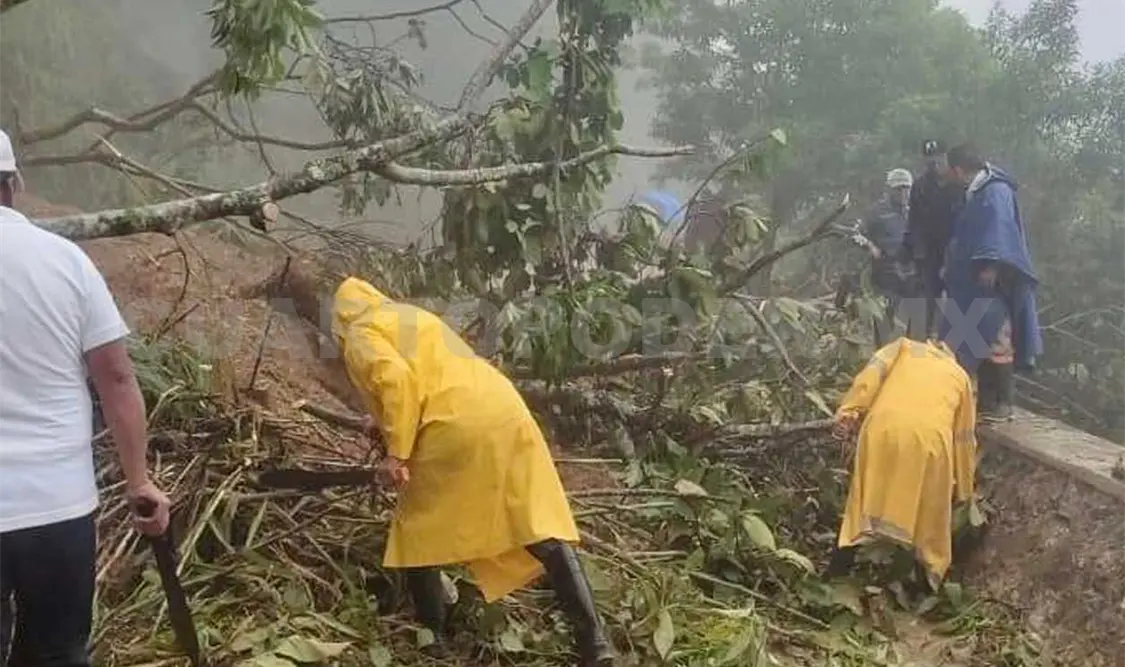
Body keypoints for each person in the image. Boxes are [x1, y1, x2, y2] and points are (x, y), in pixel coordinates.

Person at [329, 276, 614, 666]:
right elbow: (429, 377)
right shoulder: (409, 316)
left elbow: (396, 383)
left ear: (340, 318)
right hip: (503, 410)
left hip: (455, 424)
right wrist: (383, 425)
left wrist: (396, 455)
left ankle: (433, 643)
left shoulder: (360, 332)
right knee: (534, 523)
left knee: (417, 532)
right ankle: (596, 644)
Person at [0, 128, 171, 667]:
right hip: (56, 507)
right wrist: (139, 480)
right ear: (15, 184)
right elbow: (116, 380)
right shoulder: (66, 262)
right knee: (56, 653)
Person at [828, 337, 978, 591]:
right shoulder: (961, 377)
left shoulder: (903, 347)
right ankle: (925, 583)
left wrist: (849, 411)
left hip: (881, 429)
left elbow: (869, 378)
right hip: (931, 443)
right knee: (931, 514)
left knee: (862, 500)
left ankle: (838, 567)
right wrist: (964, 489)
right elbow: (963, 440)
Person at [940, 143, 1042, 423]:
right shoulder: (976, 191)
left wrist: (991, 264)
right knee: (973, 338)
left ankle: (1003, 403)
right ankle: (985, 402)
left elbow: (998, 230)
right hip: (970, 282)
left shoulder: (996, 191)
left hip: (993, 280)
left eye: (950, 169)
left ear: (958, 168)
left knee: (997, 336)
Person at [901, 139, 965, 337]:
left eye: (938, 159)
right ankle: (919, 349)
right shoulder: (920, 186)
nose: (934, 164)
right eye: (930, 160)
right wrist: (910, 253)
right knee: (924, 306)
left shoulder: (958, 185)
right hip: (928, 256)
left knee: (958, 306)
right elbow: (914, 223)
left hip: (955, 254)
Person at [860, 168, 913, 345]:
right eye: (899, 188)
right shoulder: (877, 211)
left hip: (910, 275)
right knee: (884, 323)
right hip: (884, 275)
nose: (903, 192)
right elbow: (857, 234)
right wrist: (870, 246)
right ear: (889, 189)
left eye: (906, 188)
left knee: (914, 324)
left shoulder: (914, 210)